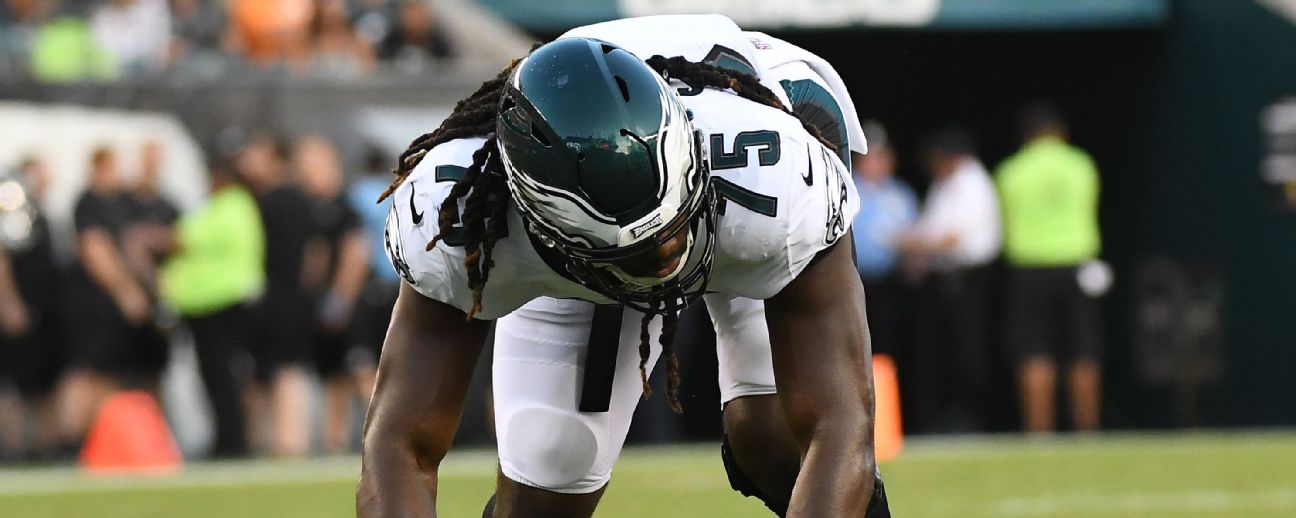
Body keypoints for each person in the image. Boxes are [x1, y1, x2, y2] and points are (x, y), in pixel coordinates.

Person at [357, 15, 889, 517]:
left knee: (771, 438)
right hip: (601, 257)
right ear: (539, 222)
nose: (665, 256)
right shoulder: (462, 212)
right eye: (636, 250)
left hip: (743, 178)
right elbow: (400, 442)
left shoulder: (777, 172)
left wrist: (647, 235)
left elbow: (840, 423)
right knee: (551, 466)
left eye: (670, 226)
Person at [995, 101, 1103, 434]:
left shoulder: (1011, 171)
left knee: (1034, 350)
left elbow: (1005, 220)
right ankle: (1087, 430)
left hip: (1029, 267)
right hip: (1076, 264)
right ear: (1060, 132)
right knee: (1083, 350)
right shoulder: (1081, 165)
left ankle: (1039, 432)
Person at [899, 126, 1001, 433]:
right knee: (947, 351)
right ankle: (953, 415)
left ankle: (972, 417)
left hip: (971, 278)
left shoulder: (972, 183)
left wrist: (907, 243)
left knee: (969, 351)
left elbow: (952, 238)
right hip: (946, 278)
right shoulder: (946, 184)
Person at [160, 160, 265, 458]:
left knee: (219, 376)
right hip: (214, 303)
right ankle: (229, 437)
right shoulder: (235, 207)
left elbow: (182, 239)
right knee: (221, 376)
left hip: (217, 303)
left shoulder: (228, 207)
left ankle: (230, 440)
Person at [59, 146, 150, 453]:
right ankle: (68, 440)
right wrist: (126, 291)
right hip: (92, 303)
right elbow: (94, 249)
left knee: (108, 372)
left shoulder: (119, 204)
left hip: (109, 308)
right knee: (87, 371)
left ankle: (94, 438)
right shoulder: (89, 203)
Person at [235, 133, 314, 457]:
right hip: (295, 295)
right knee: (280, 369)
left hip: (278, 296)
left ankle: (288, 439)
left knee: (283, 370)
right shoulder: (302, 199)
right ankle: (286, 438)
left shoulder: (272, 201)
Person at [293, 135, 369, 454]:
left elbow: (356, 253)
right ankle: (333, 442)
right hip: (324, 305)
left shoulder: (342, 206)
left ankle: (392, 437)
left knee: (363, 372)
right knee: (334, 377)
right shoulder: (313, 208)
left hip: (350, 307)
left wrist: (340, 300)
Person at [0, 156, 62, 462]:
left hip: (44, 311)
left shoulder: (38, 212)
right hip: (21, 310)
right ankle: (12, 448)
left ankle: (40, 446)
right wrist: (9, 304)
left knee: (41, 384)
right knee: (17, 384)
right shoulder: (13, 208)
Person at [850, 121, 917, 357]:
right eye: (871, 157)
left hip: (890, 283)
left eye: (882, 155)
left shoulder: (900, 194)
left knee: (888, 347)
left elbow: (912, 235)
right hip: (852, 283)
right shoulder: (848, 190)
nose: (877, 162)